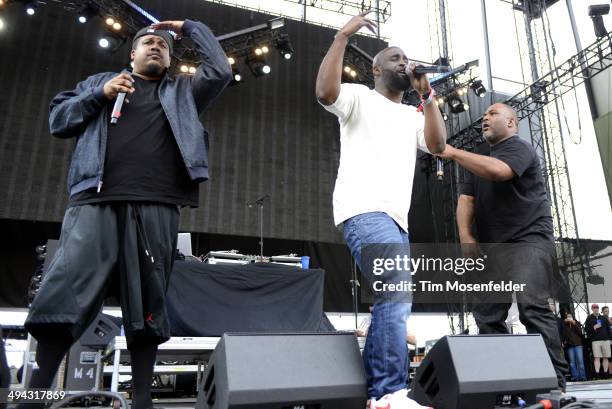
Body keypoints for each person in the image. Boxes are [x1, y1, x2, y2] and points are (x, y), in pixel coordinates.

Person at [21, 20, 232, 409]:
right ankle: (33, 398)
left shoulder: (183, 93)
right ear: (131, 54)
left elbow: (220, 71)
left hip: (157, 204)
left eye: (164, 46)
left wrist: (190, 28)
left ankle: (143, 402)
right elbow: (58, 121)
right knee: (63, 299)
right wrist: (100, 94)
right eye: (148, 43)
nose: (156, 47)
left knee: (149, 305)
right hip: (94, 201)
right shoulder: (97, 83)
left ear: (170, 60)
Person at [316, 11, 445, 409]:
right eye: (395, 59)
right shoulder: (359, 96)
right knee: (395, 289)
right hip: (363, 209)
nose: (404, 64)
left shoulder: (413, 114)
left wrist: (427, 96)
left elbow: (438, 146)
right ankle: (388, 391)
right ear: (375, 68)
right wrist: (341, 37)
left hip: (395, 220)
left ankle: (374, 395)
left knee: (390, 299)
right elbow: (325, 92)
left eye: (407, 60)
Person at [435, 103, 569, 389]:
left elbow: (499, 172)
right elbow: (466, 199)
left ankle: (554, 384)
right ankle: (499, 381)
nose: (485, 117)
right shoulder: (478, 160)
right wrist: (465, 236)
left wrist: (453, 152)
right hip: (490, 247)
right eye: (484, 115)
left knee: (532, 307)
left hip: (528, 239)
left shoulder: (520, 148)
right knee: (487, 314)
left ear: (511, 123)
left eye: (493, 114)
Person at [585, 304, 611, 378]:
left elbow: (608, 329)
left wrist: (609, 339)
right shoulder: (589, 318)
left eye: (597, 308)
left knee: (606, 357)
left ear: (598, 309)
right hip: (595, 340)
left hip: (605, 340)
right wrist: (593, 327)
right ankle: (597, 373)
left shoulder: (603, 318)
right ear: (592, 309)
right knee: (597, 357)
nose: (596, 309)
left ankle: (606, 373)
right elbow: (586, 330)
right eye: (594, 308)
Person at [562, 313, 587, 381]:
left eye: (570, 316)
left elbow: (580, 332)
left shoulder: (576, 323)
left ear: (573, 317)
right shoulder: (565, 325)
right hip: (570, 346)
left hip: (578, 345)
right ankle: (575, 377)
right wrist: (565, 324)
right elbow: (564, 334)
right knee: (572, 363)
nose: (569, 318)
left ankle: (582, 376)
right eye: (568, 317)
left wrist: (574, 324)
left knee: (580, 361)